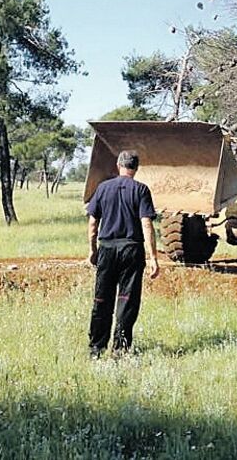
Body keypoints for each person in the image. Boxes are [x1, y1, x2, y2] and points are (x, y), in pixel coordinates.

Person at [86, 149, 159, 357]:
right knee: (128, 299)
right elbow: (146, 223)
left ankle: (96, 348)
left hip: (107, 248)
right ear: (136, 168)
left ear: (118, 165)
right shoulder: (141, 190)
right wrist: (153, 257)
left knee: (101, 299)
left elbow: (93, 223)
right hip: (131, 249)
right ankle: (121, 349)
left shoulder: (102, 188)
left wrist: (93, 251)